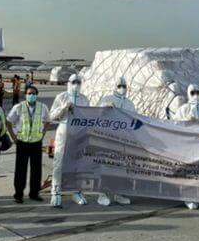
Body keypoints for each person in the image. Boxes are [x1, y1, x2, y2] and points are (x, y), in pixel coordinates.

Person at [48, 74, 88, 207]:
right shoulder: (61, 97)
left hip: (79, 133)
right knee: (59, 163)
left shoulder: (84, 99)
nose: (76, 84)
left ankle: (76, 191)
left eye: (78, 82)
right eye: (74, 82)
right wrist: (64, 108)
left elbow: (89, 116)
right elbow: (51, 116)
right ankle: (56, 191)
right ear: (69, 83)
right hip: (64, 131)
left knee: (78, 163)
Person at [94, 77, 135, 205]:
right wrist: (105, 109)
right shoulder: (106, 99)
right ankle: (102, 195)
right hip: (107, 138)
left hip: (122, 139)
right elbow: (95, 115)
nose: (122, 88)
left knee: (121, 167)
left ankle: (119, 193)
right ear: (114, 86)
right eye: (119, 86)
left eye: (124, 86)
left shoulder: (130, 104)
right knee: (105, 166)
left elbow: (133, 121)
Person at [7, 84, 46, 203]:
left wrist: (42, 134)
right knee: (20, 170)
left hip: (36, 143)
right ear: (25, 95)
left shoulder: (43, 107)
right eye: (29, 94)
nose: (31, 95)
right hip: (22, 143)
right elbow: (8, 122)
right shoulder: (18, 107)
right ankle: (18, 194)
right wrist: (13, 137)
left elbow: (47, 121)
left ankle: (34, 193)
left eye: (34, 94)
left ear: (37, 95)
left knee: (36, 170)